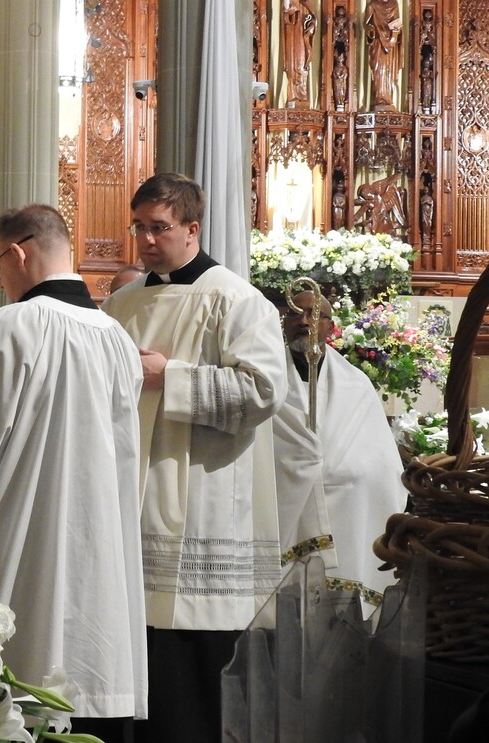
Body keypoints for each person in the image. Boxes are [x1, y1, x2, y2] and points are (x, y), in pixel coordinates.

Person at [0, 205, 147, 741]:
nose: (2, 281)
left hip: (19, 552)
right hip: (98, 555)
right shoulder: (116, 339)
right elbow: (128, 465)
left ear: (17, 253)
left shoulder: (12, 326)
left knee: (19, 688)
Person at [101, 173, 287, 743]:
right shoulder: (121, 302)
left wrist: (171, 378)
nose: (147, 240)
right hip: (133, 492)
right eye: (139, 228)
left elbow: (263, 391)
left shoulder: (236, 298)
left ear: (192, 228)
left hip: (207, 501)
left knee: (193, 675)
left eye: (159, 227)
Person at [273, 290, 406, 611]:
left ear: (330, 325)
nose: (304, 321)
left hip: (347, 505)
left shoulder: (355, 384)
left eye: (314, 314)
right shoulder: (267, 379)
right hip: (284, 500)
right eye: (295, 313)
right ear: (283, 322)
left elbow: (381, 461)